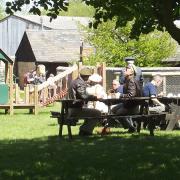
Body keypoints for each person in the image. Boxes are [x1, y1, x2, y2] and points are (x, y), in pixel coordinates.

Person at [68, 67, 102, 136]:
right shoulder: (80, 83)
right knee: (97, 113)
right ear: (86, 76)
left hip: (71, 108)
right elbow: (84, 96)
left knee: (92, 113)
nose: (89, 78)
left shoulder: (75, 81)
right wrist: (95, 97)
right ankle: (85, 131)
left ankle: (84, 130)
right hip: (75, 110)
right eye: (89, 76)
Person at [112, 64, 142, 132]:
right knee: (113, 109)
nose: (124, 70)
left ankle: (131, 127)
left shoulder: (131, 81)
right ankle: (130, 127)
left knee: (118, 113)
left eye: (127, 69)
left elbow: (131, 95)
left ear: (131, 72)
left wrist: (120, 95)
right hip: (128, 104)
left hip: (132, 106)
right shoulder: (128, 80)